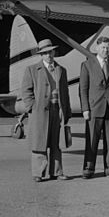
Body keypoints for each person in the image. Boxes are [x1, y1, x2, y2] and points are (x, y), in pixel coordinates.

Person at [21, 38, 71, 182]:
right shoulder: (32, 70)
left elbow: (65, 92)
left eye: (50, 52)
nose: (49, 55)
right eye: (45, 53)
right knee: (39, 142)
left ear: (54, 52)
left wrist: (66, 111)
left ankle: (57, 171)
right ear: (41, 55)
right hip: (40, 112)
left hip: (57, 109)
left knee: (56, 142)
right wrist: (32, 107)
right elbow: (26, 90)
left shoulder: (61, 69)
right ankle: (39, 173)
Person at [79, 35, 109, 179]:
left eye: (108, 48)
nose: (105, 50)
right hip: (94, 108)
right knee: (92, 140)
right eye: (103, 47)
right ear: (97, 48)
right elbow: (83, 89)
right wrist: (85, 108)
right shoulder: (87, 65)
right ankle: (88, 169)